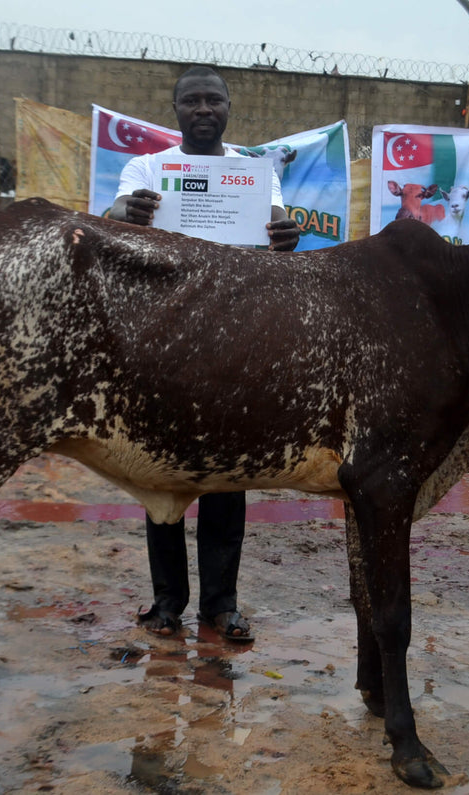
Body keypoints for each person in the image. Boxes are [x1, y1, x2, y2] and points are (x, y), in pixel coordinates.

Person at [108, 65, 300, 643]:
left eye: (212, 99)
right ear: (175, 111)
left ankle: (221, 604)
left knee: (227, 472)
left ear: (227, 109)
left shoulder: (251, 171)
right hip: (163, 338)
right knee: (162, 470)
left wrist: (284, 236)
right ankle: (166, 602)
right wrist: (127, 213)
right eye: (191, 100)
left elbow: (274, 226)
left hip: (233, 339)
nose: (202, 109)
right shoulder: (149, 168)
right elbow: (115, 216)